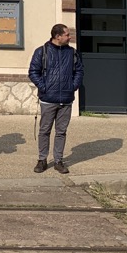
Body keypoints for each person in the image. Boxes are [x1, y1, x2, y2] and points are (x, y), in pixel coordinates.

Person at [29, 23, 84, 175]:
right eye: (67, 34)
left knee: (61, 132)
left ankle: (58, 161)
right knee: (44, 130)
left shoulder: (72, 53)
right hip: (48, 99)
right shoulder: (42, 51)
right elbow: (33, 71)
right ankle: (42, 160)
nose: (70, 37)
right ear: (58, 36)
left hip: (66, 99)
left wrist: (73, 86)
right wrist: (44, 87)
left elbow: (79, 71)